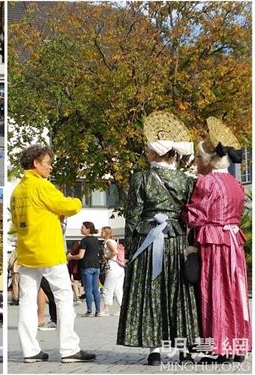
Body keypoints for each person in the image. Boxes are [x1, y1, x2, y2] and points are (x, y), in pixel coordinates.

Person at [116, 111, 199, 366]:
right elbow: (191, 213)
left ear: (154, 153)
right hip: (176, 239)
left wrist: (130, 248)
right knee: (180, 294)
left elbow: (133, 215)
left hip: (148, 240)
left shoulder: (141, 178)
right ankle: (185, 350)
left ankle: (154, 351)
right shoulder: (187, 180)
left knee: (151, 293)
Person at [10, 144, 96, 363]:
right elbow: (69, 206)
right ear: (36, 163)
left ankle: (30, 351)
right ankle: (69, 349)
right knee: (63, 297)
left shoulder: (18, 190)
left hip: (27, 252)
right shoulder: (42, 186)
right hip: (48, 250)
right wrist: (76, 201)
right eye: (48, 163)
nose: (50, 168)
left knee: (27, 301)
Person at [185, 117, 251, 363]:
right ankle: (237, 345)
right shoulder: (236, 184)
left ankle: (219, 347)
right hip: (234, 241)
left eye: (200, 159)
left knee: (215, 290)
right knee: (234, 292)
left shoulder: (206, 182)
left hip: (214, 243)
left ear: (209, 160)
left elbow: (194, 214)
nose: (198, 163)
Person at [68, 222, 104, 317]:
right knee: (95, 289)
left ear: (88, 229)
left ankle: (89, 310)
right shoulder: (96, 239)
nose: (81, 229)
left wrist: (71, 257)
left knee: (88, 289)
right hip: (96, 266)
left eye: (83, 227)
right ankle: (98, 311)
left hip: (87, 266)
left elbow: (81, 255)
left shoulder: (84, 240)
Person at [100, 226, 125, 316]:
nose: (101, 233)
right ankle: (122, 308)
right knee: (118, 289)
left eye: (102, 232)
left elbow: (114, 252)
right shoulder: (114, 241)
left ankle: (105, 309)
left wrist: (106, 257)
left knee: (107, 288)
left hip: (112, 266)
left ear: (106, 233)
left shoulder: (108, 242)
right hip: (119, 267)